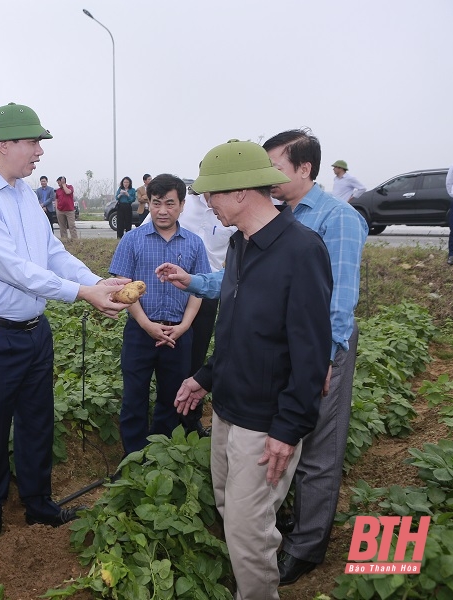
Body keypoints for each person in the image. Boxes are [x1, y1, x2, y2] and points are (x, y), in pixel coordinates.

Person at [161, 129, 368, 586]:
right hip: (230, 406)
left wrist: (288, 428)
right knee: (228, 504)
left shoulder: (301, 251)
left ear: (239, 194)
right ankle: (251, 569)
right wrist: (205, 377)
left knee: (248, 526)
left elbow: (312, 349)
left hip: (266, 416)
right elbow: (236, 330)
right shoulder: (241, 245)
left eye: (211, 194)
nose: (207, 203)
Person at [0, 102, 129, 550]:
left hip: (35, 331)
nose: (39, 152)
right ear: (5, 144)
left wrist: (95, 282)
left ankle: (37, 503)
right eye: (33, 142)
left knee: (37, 423)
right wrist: (81, 294)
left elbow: (50, 252)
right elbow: (12, 267)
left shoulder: (25, 195)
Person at [109, 174, 209, 455]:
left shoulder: (194, 243)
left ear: (182, 205)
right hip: (141, 332)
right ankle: (133, 457)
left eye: (169, 203)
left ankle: (159, 455)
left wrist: (184, 326)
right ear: (148, 204)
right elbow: (123, 286)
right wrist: (146, 324)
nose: (162, 210)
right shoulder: (132, 240)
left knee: (171, 397)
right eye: (156, 203)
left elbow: (198, 290)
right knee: (134, 397)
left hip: (178, 333)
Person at [175, 186, 236, 438]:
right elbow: (149, 228)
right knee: (168, 354)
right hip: (174, 287)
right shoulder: (182, 203)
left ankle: (190, 422)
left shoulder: (231, 212)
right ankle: (165, 417)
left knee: (196, 355)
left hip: (208, 290)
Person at [55, 175, 77, 240]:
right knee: (62, 227)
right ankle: (64, 240)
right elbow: (56, 199)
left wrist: (64, 185)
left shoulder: (70, 187)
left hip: (69, 210)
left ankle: (75, 240)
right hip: (60, 211)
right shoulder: (58, 190)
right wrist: (56, 208)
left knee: (71, 226)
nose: (58, 184)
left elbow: (68, 192)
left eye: (59, 183)